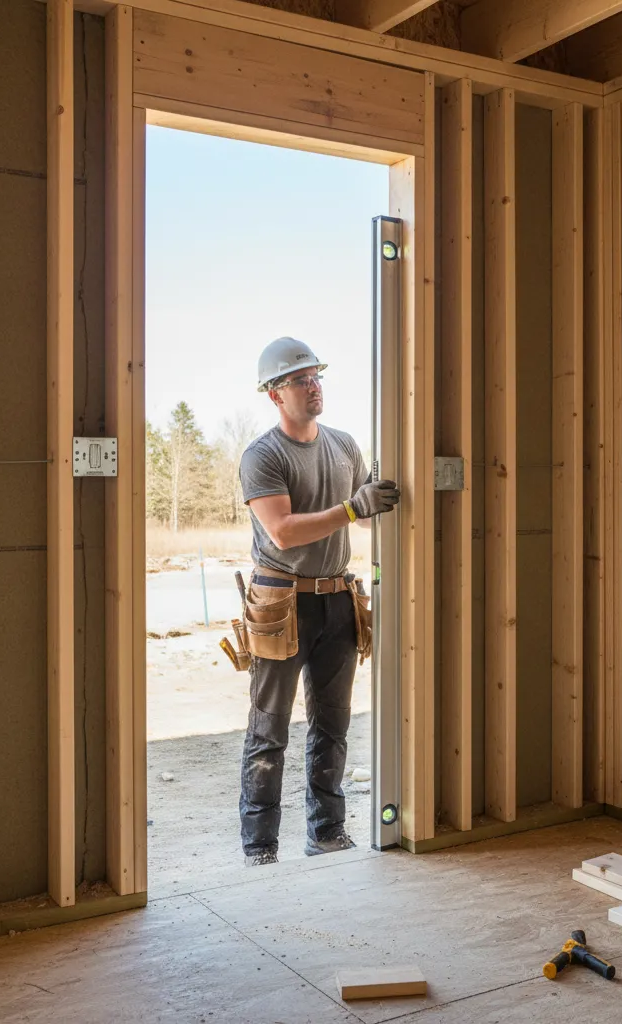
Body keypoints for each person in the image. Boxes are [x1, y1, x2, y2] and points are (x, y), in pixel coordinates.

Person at [237, 336, 400, 866]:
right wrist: (354, 509)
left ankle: (327, 833)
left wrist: (374, 494)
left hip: (337, 602)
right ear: (274, 395)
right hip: (282, 604)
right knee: (270, 729)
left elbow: (366, 502)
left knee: (333, 725)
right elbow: (282, 531)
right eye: (300, 380)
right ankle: (259, 846)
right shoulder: (263, 455)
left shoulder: (344, 445)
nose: (313, 386)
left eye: (316, 377)